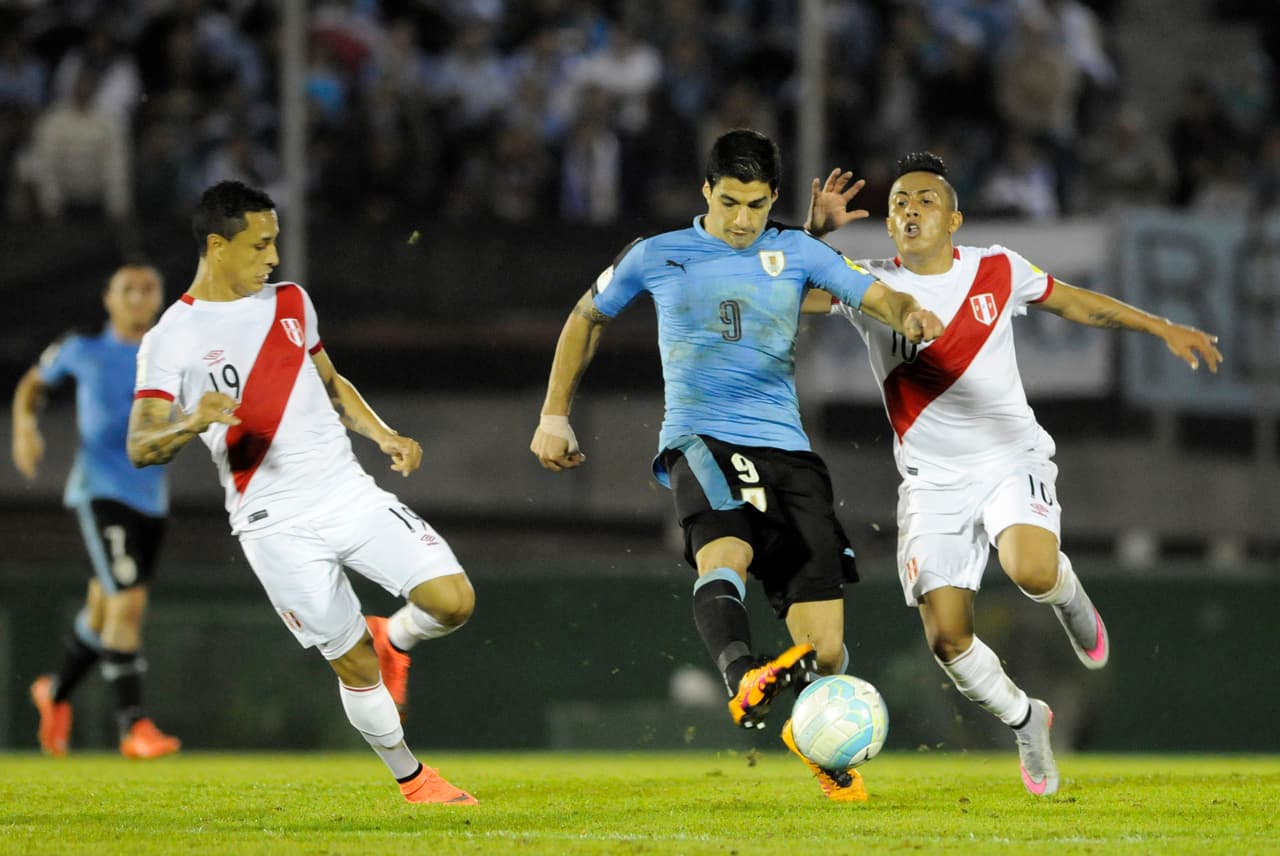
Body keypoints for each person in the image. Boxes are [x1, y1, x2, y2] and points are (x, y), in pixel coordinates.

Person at [530, 129, 944, 802]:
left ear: (773, 198)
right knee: (724, 552)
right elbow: (586, 316)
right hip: (703, 439)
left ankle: (804, 734)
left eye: (755, 205)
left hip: (791, 453)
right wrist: (554, 415)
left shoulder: (796, 251)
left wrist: (911, 313)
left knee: (827, 654)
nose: (743, 219)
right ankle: (741, 671)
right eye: (729, 203)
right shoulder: (658, 254)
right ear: (706, 193)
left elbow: (872, 295)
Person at [802, 151, 1223, 796]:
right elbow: (788, 298)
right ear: (888, 226)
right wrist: (815, 239)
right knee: (947, 640)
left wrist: (1160, 325)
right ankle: (1029, 722)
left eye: (925, 201)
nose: (910, 210)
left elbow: (1080, 306)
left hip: (1008, 459)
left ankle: (1070, 597)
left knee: (1030, 570)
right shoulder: (868, 285)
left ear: (954, 219)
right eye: (899, 204)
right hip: (931, 482)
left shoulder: (998, 269)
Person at [125, 180, 477, 805]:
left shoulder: (291, 302)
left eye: (275, 241)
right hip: (270, 522)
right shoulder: (170, 337)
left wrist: (384, 434)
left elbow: (330, 380)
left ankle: (396, 636)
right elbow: (140, 444)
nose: (273, 257)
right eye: (261, 245)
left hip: (346, 491)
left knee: (453, 601)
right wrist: (191, 419)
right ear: (217, 245)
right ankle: (413, 778)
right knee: (353, 664)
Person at [13, 264, 182, 759]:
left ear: (159, 298)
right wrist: (25, 427)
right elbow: (32, 385)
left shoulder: (169, 355)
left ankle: (55, 693)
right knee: (128, 602)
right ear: (108, 299)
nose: (137, 297)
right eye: (126, 289)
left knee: (104, 612)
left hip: (152, 498)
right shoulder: (82, 350)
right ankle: (135, 726)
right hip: (101, 491)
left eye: (147, 288)